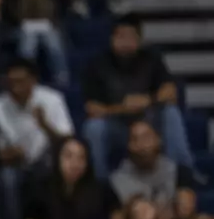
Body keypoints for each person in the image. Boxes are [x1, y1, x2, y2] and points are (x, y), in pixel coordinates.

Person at [81, 15, 194, 172]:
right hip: (117, 126)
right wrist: (123, 108)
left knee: (171, 113)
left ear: (139, 39)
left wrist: (148, 100)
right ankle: (99, 182)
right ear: (111, 38)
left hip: (150, 123)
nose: (125, 41)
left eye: (130, 36)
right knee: (93, 127)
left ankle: (183, 173)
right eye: (121, 36)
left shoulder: (151, 58)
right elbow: (92, 108)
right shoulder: (98, 64)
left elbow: (170, 92)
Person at [0, 60, 75, 219]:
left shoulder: (52, 99)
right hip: (16, 165)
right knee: (6, 179)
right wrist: (9, 155)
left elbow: (68, 141)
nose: (15, 87)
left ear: (33, 81)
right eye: (11, 82)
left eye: (20, 81)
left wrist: (45, 125)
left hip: (48, 160)